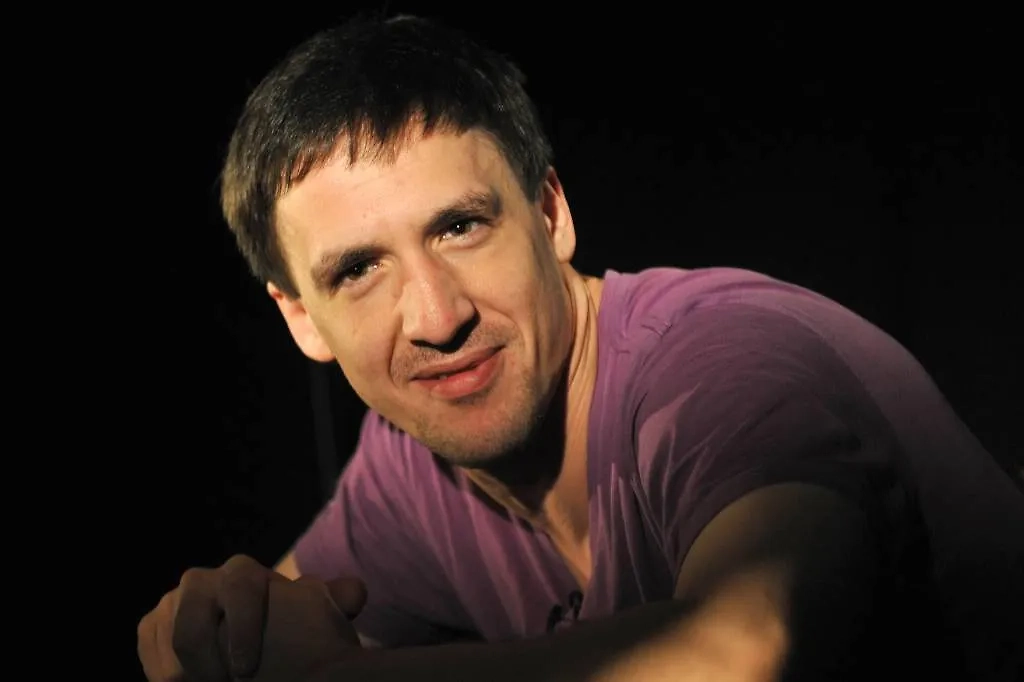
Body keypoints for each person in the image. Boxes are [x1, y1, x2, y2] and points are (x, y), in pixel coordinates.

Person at [136, 13, 1024, 682]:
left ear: (551, 214)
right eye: (360, 269)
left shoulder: (721, 364)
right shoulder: (413, 462)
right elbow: (281, 632)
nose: (436, 318)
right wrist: (222, 634)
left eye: (459, 227)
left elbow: (748, 647)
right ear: (301, 318)